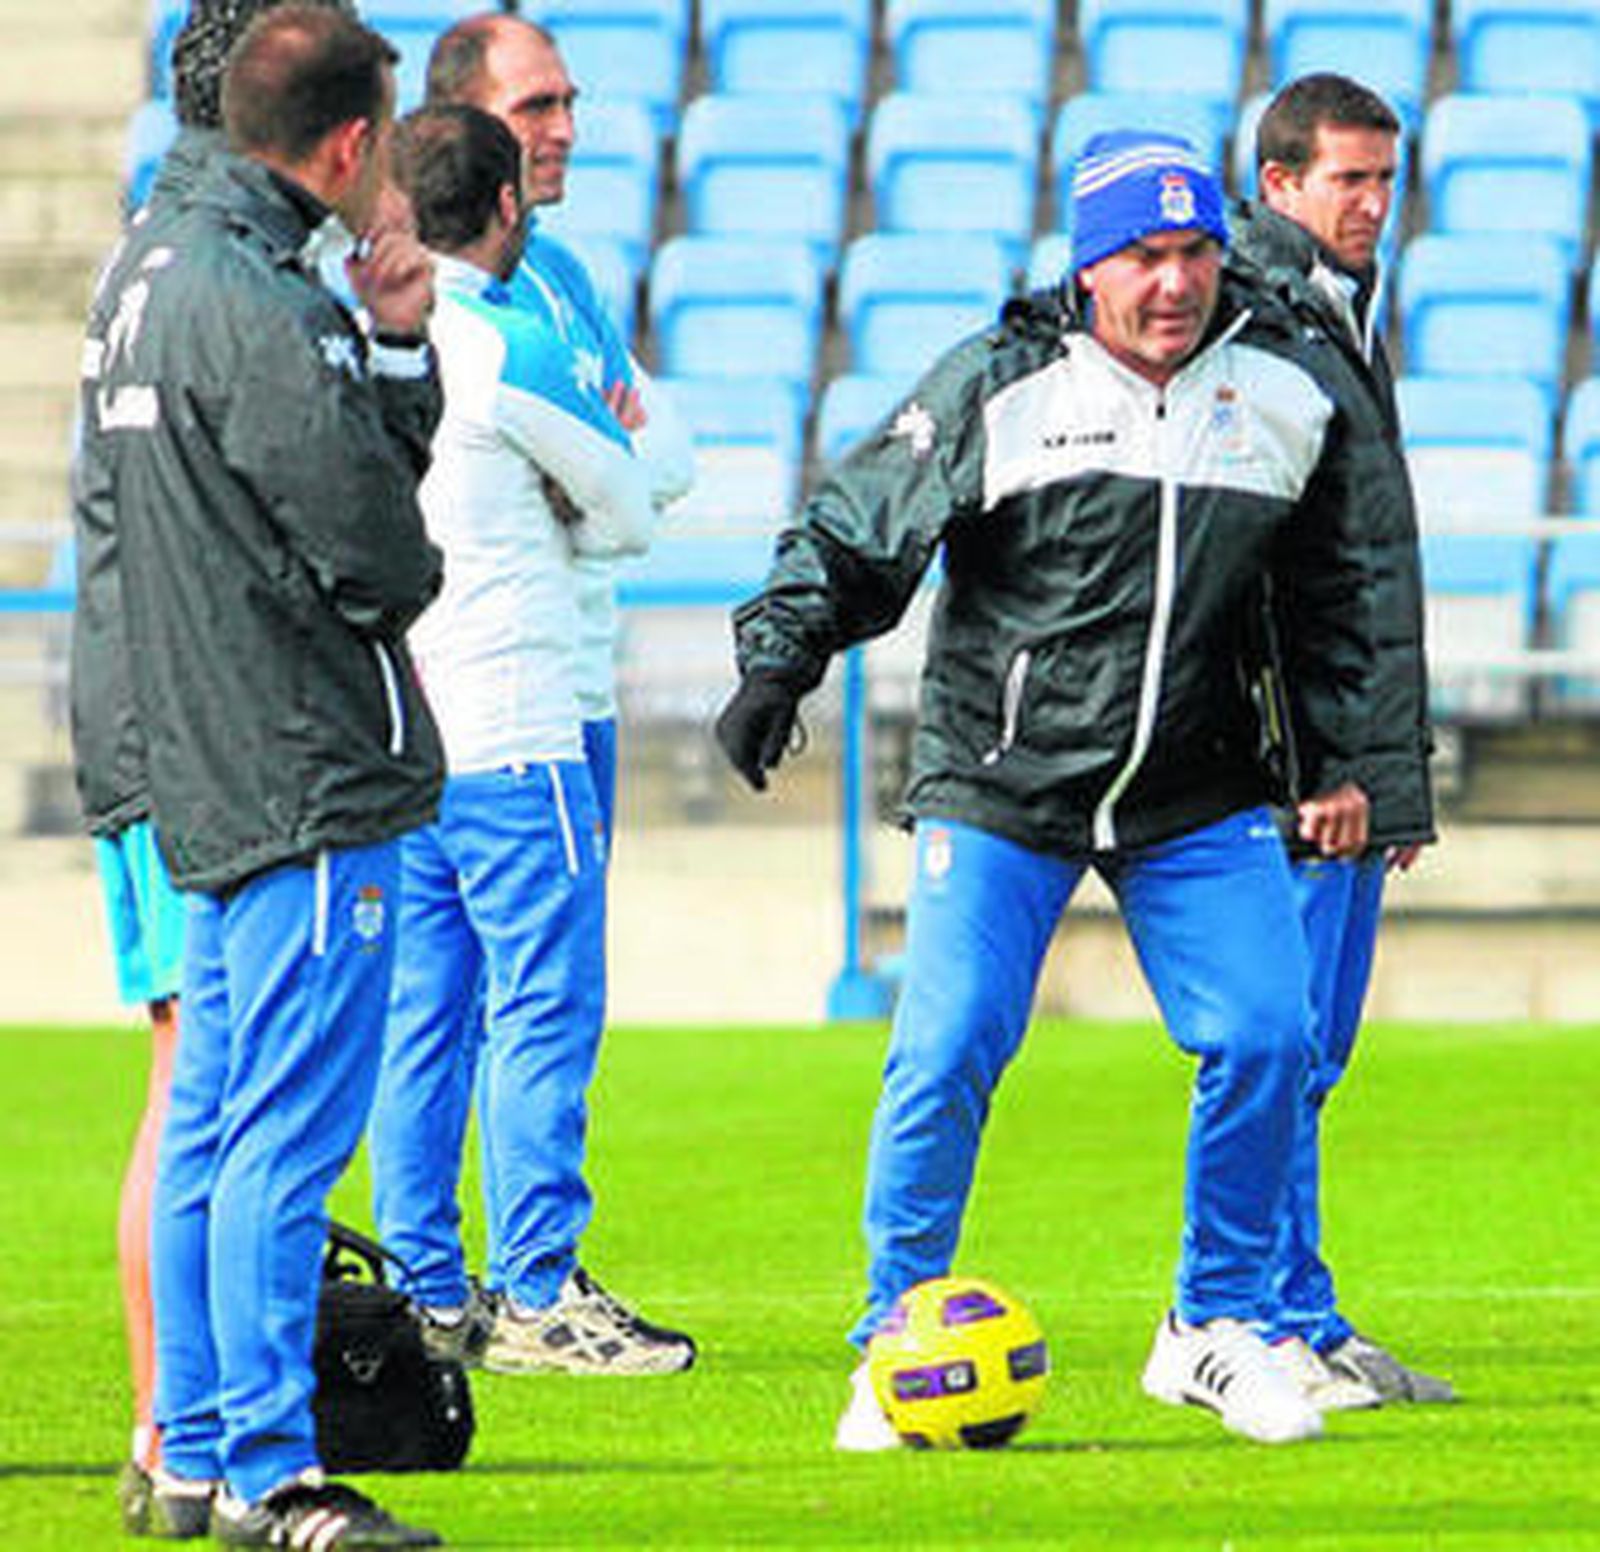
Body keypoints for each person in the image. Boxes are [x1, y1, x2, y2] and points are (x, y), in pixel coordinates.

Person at [716, 131, 1393, 1449]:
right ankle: (894, 1336)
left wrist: (1343, 757)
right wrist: (778, 665)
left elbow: (1327, 597)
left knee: (1270, 1034)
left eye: (1195, 253)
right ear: (1090, 267)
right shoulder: (1000, 381)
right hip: (1002, 781)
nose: (1175, 282)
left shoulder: (1285, 391)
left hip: (1196, 789)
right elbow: (858, 532)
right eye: (1144, 257)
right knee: (949, 1045)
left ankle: (1213, 1325)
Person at [97, 7, 446, 1543]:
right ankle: (268, 1473)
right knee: (281, 1142)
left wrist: (393, 342)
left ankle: (186, 1454)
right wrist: (388, 363)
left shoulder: (150, 269)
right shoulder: (262, 301)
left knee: (212, 1125)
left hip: (203, 759)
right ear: (353, 143)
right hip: (302, 766)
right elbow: (381, 555)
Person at [361, 10, 694, 1374]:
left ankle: (427, 1293)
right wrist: (580, 495)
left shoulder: (374, 324)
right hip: (521, 723)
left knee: (423, 1018)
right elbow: (634, 501)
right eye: (536, 112)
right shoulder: (511, 340)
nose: (561, 132)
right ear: (499, 197)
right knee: (545, 1008)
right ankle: (540, 1288)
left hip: (411, 727)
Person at [66, 0, 354, 1532]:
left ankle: (179, 1440)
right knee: (204, 1093)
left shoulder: (148, 254)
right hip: (189, 731)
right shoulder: (213, 268)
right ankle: (183, 1436)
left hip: (147, 716)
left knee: (201, 1088)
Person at [1231, 72, 1451, 1406]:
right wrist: (1321, 766)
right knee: (1288, 1050)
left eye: (1385, 179)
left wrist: (1395, 775)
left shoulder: (1336, 311)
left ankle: (1295, 1307)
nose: (1373, 203)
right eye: (1348, 179)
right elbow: (1275, 574)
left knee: (1313, 1056)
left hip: (1354, 767)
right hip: (1305, 775)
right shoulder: (1262, 320)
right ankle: (1268, 1316)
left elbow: (1367, 567)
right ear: (1280, 184)